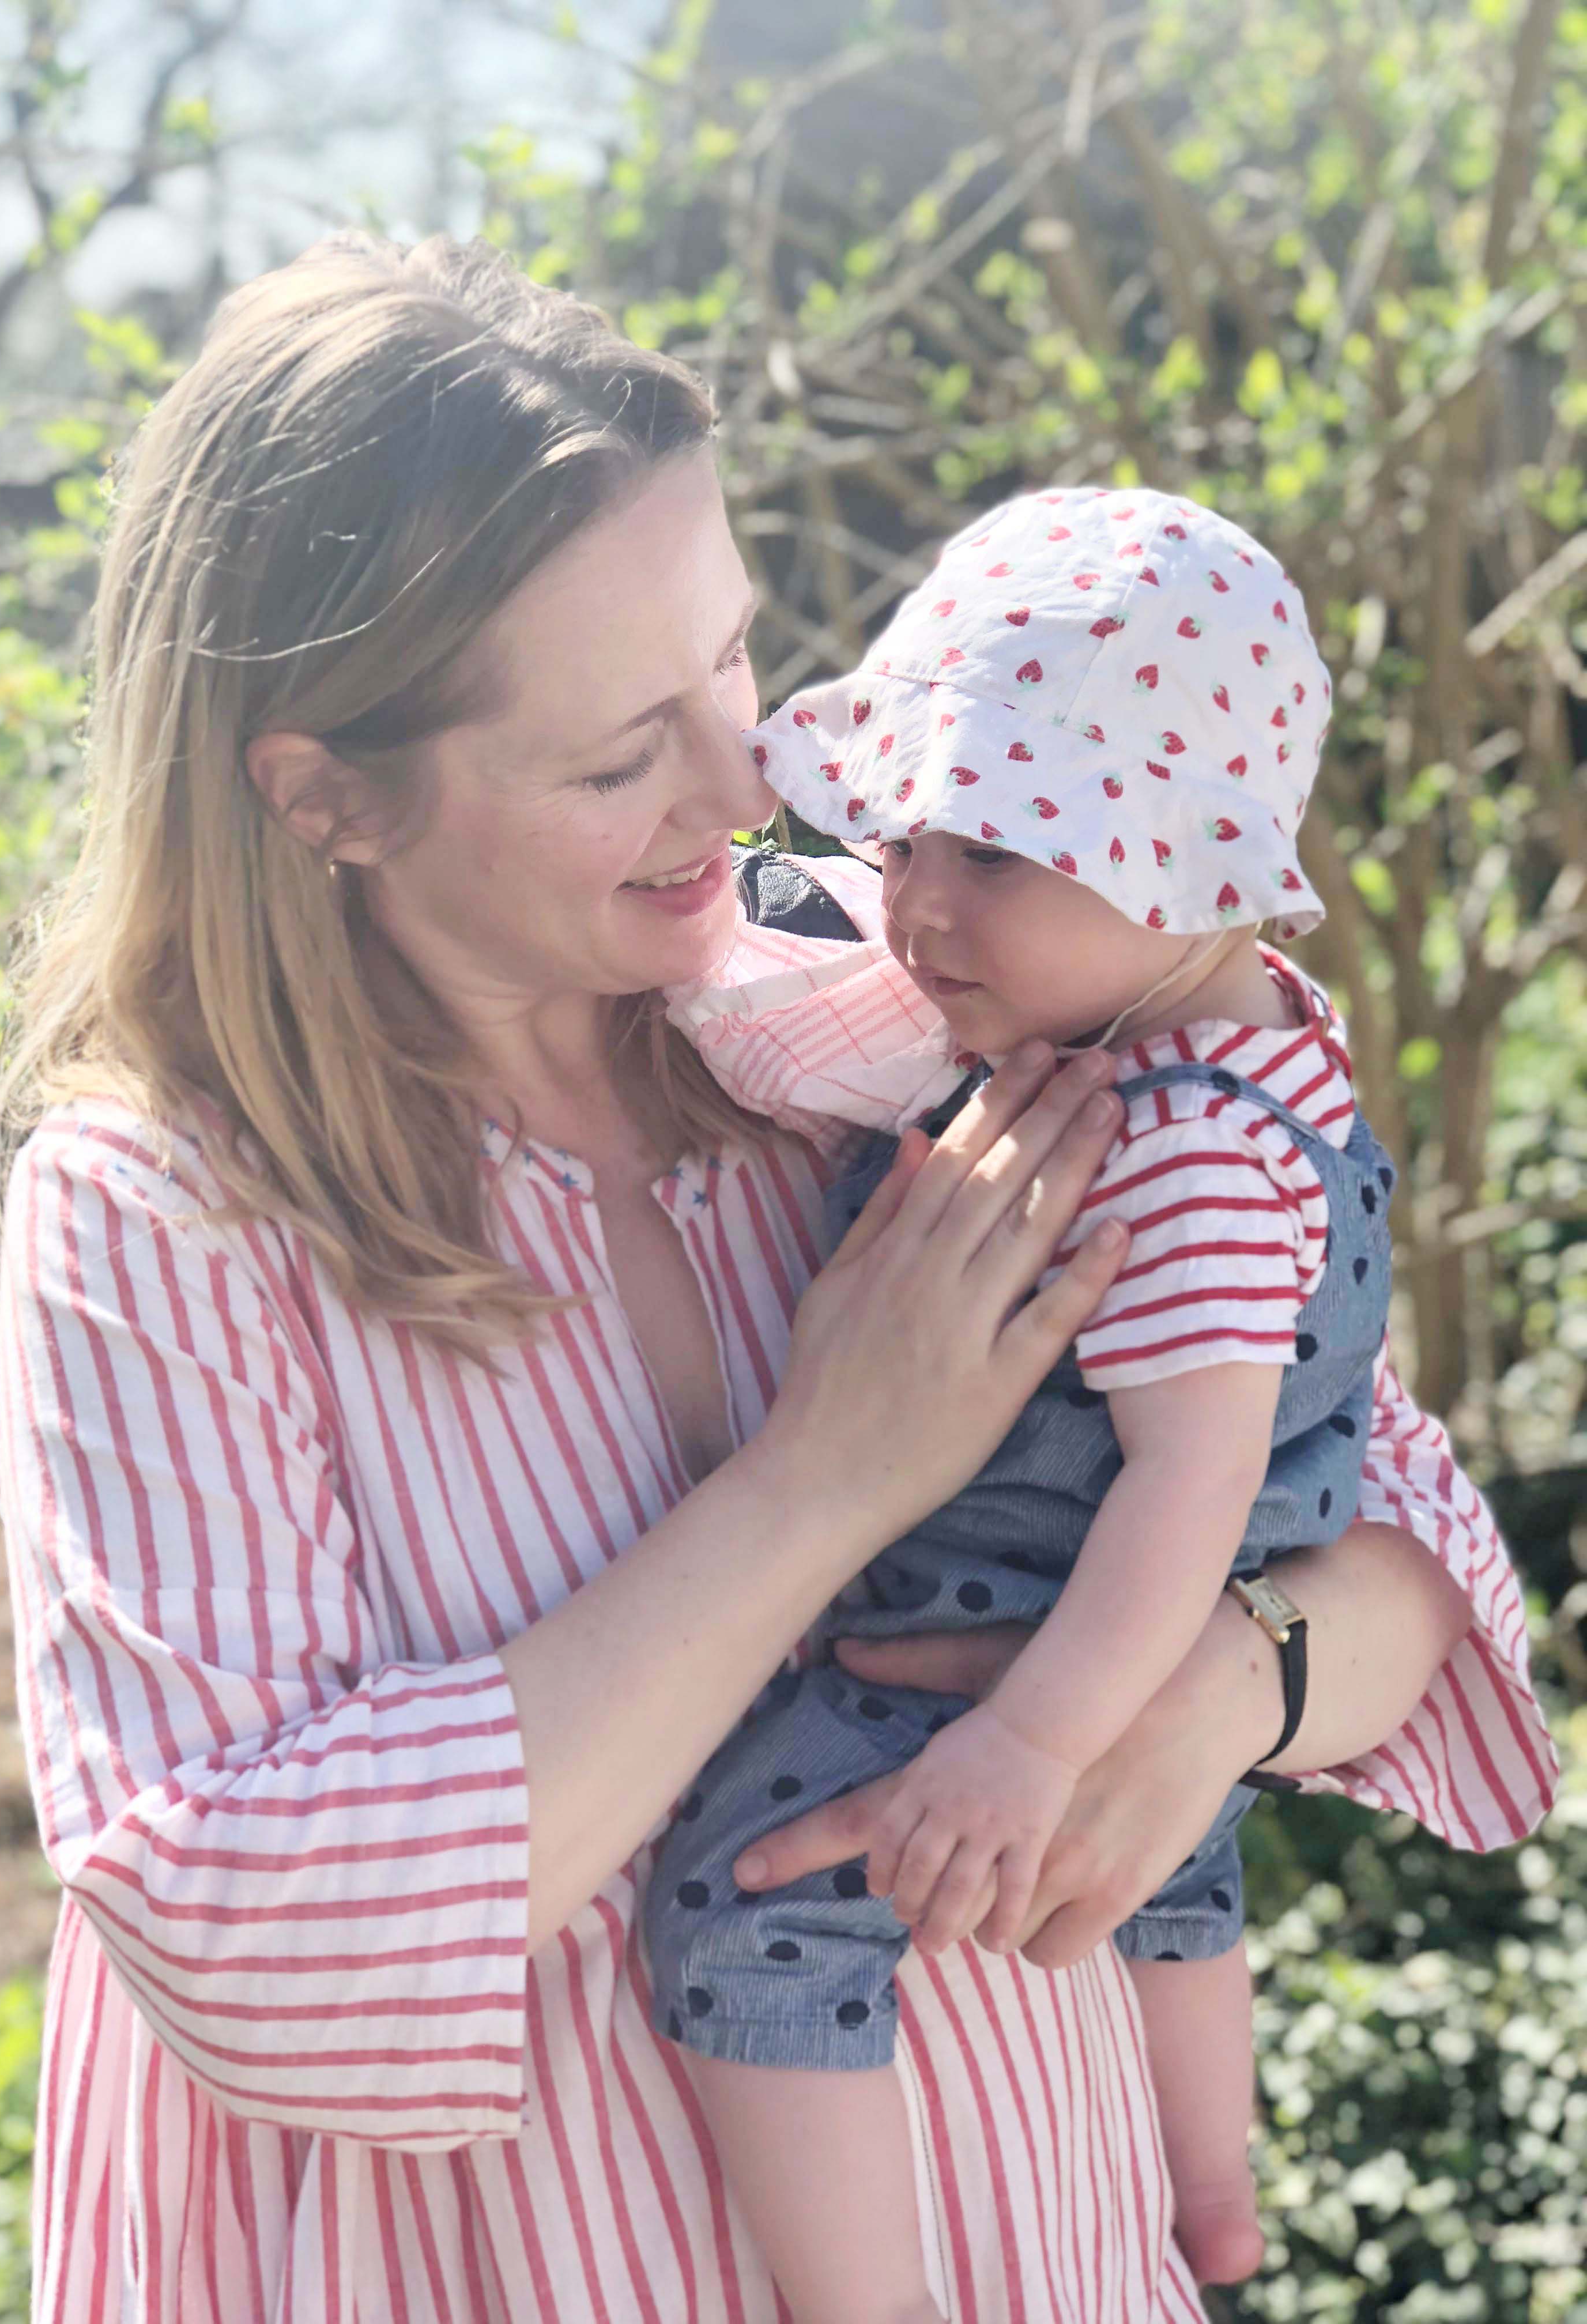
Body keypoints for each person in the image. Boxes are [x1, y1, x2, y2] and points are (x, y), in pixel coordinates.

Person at [0, 234, 1555, 2324]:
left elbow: (1397, 1529)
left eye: (730, 662)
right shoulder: (166, 1214)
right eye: (616, 754)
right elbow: (248, 1937)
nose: (752, 790)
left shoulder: (885, 983)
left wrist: (1217, 1689)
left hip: (1054, 2253)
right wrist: (826, 1478)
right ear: (328, 794)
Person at [647, 486, 1396, 2311]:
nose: (916, 906)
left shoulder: (1183, 1152)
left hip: (1020, 1639)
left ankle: (868, 2297)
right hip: (1141, 1651)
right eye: (906, 837)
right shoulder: (1220, 1035)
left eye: (997, 852)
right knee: (1177, 1874)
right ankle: (1214, 2195)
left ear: (1190, 870)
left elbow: (1190, 1484)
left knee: (746, 1895)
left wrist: (1037, 1743)